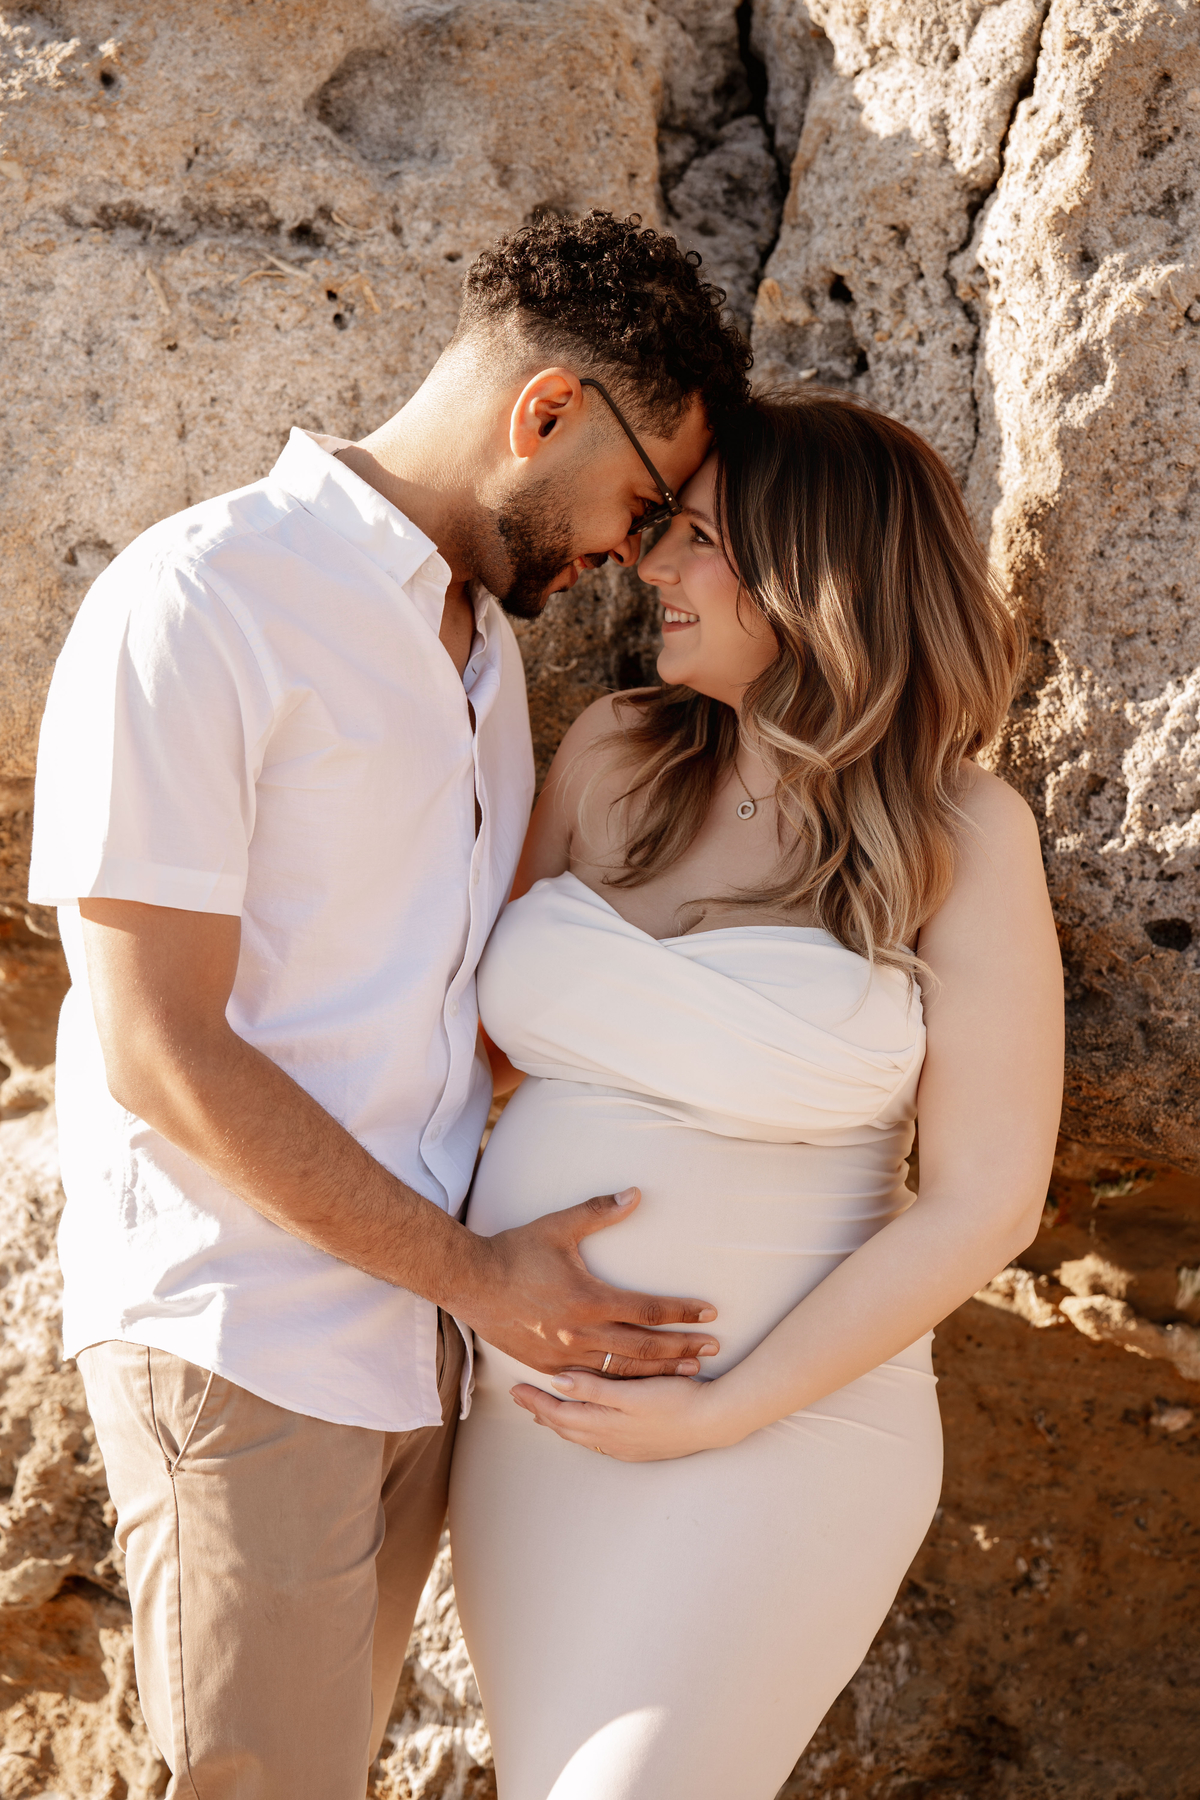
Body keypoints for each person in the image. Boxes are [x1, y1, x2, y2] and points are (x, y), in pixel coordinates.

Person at [27, 211, 753, 1799]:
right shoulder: (198, 603)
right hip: (245, 1340)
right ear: (545, 410)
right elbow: (158, 1045)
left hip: (415, 1356)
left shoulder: (488, 662)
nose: (631, 553)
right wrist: (482, 1280)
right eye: (641, 502)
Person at [449, 388, 1065, 1799]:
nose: (650, 567)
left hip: (786, 1431)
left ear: (818, 569)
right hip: (533, 1433)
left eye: (697, 540)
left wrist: (725, 1411)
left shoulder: (965, 829)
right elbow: (459, 1061)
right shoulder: (613, 752)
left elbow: (987, 1202)